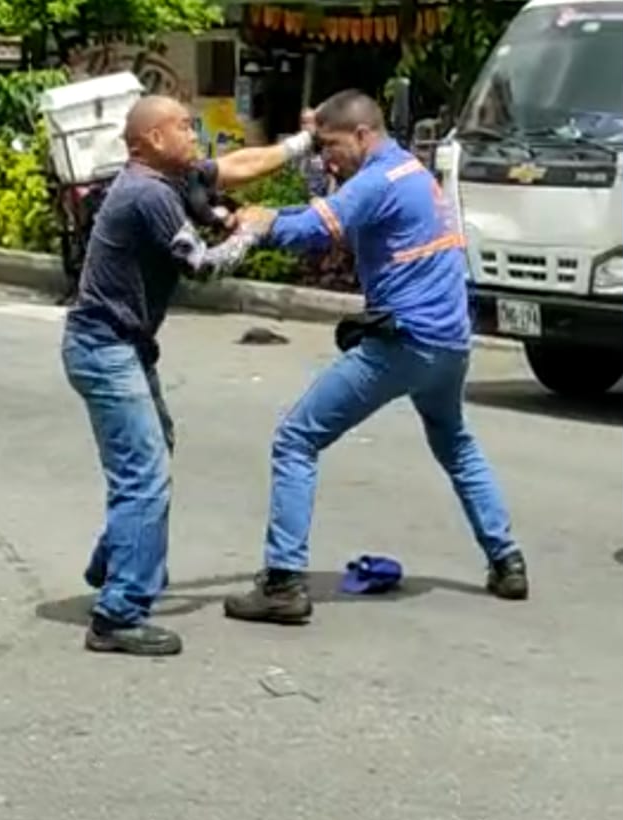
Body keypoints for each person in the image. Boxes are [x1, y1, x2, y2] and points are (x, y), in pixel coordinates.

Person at [225, 90, 528, 625]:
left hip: (404, 342)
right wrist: (275, 212)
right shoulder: (409, 171)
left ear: (362, 135)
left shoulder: (376, 182)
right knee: (455, 442)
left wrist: (261, 223)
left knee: (296, 438)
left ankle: (282, 582)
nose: (326, 159)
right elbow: (325, 209)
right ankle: (507, 560)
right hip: (450, 343)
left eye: (331, 146)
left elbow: (316, 229)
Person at [63, 95, 318, 656]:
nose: (193, 132)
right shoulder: (149, 193)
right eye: (182, 126)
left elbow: (237, 167)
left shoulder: (169, 177)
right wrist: (250, 232)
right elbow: (200, 268)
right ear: (151, 139)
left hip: (120, 346)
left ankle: (115, 560)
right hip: (105, 349)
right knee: (145, 473)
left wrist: (304, 143)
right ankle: (119, 614)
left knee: (154, 450)